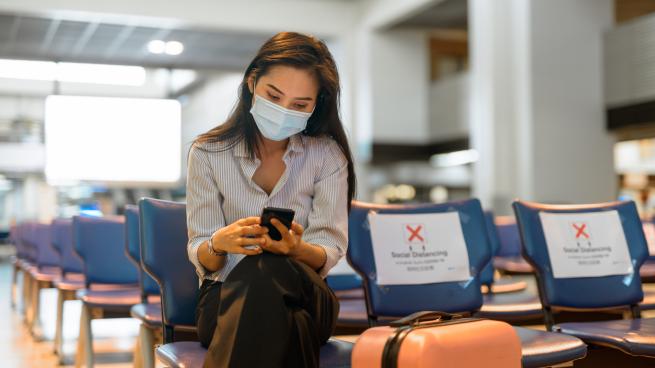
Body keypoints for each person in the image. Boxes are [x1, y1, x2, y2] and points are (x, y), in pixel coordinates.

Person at [186, 31, 356, 368]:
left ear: (316, 104)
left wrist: (296, 250)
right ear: (252, 83)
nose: (283, 111)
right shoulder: (208, 151)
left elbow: (330, 248)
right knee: (291, 320)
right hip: (224, 297)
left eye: (299, 105)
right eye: (274, 96)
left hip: (307, 292)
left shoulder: (327, 155)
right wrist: (219, 244)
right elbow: (202, 248)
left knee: (268, 266)